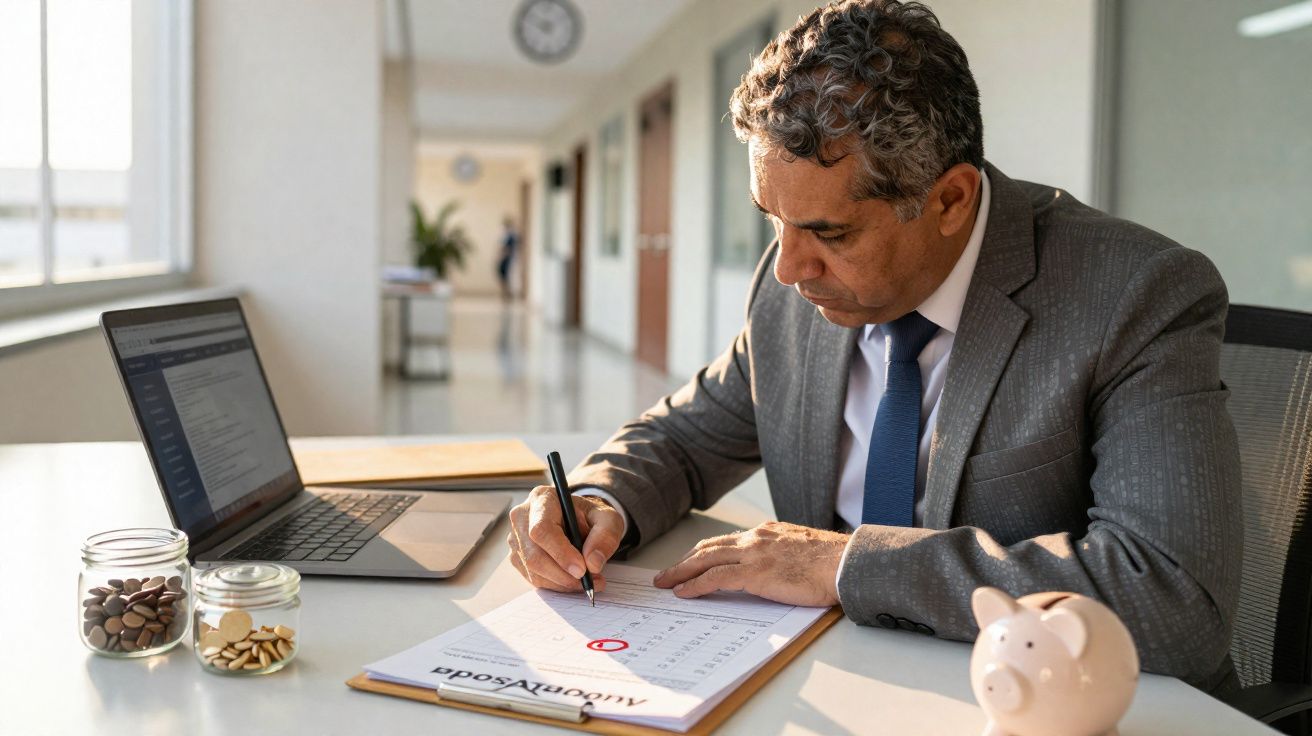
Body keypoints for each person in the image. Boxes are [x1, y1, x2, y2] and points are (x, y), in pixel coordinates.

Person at [506, 0, 1242, 693]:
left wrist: (845, 566)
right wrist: (597, 499)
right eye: (772, 219)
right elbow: (686, 438)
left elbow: (1171, 600)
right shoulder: (793, 283)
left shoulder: (1134, 294)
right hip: (838, 680)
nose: (789, 267)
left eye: (829, 232)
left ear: (950, 200)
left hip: (1044, 699)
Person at [497, 216, 519, 301]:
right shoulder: (505, 236)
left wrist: (503, 255)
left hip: (508, 259)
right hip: (504, 258)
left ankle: (508, 295)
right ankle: (505, 294)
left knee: (507, 277)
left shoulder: (512, 236)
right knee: (503, 277)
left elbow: (508, 249)